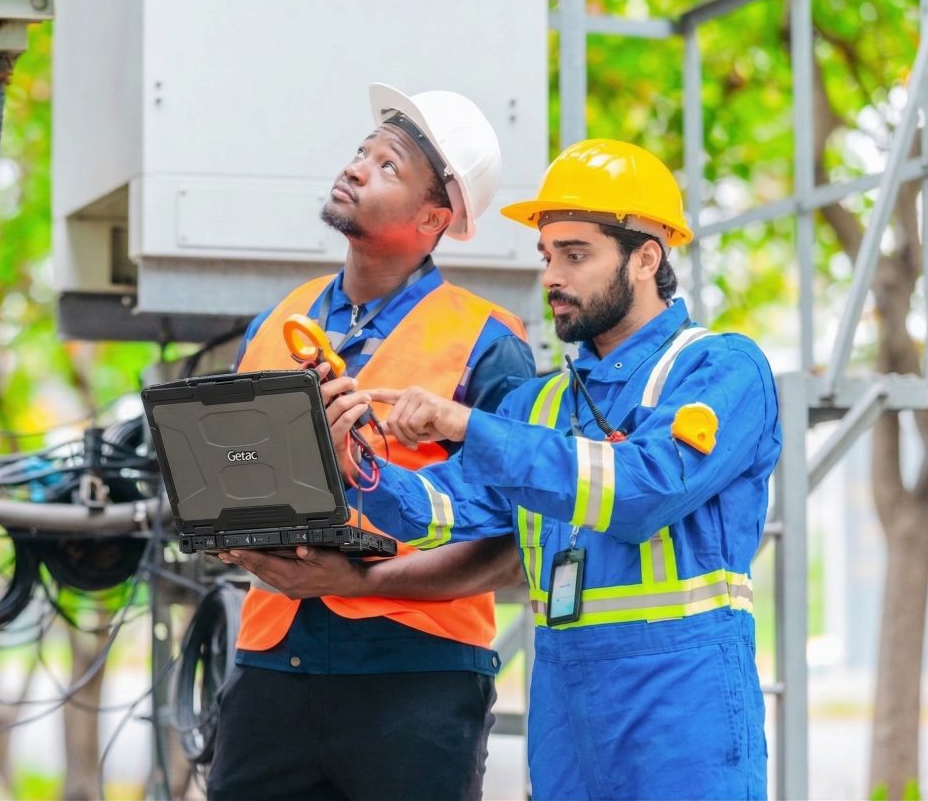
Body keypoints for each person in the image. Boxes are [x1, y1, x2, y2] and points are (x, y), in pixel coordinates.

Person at [282, 137, 780, 800]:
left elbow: (642, 489)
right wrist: (359, 465)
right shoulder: (538, 404)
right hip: (567, 714)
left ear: (646, 258)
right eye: (547, 255)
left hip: (684, 713)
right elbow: (438, 513)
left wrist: (463, 424)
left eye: (575, 255)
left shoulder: (720, 369)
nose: (551, 277)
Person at [205, 84, 535, 801]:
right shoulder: (276, 321)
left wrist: (360, 582)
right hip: (269, 670)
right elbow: (231, 489)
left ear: (432, 218)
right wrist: (231, 540)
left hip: (417, 679)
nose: (356, 168)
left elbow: (516, 547)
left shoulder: (489, 345)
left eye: (387, 166)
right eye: (361, 153)